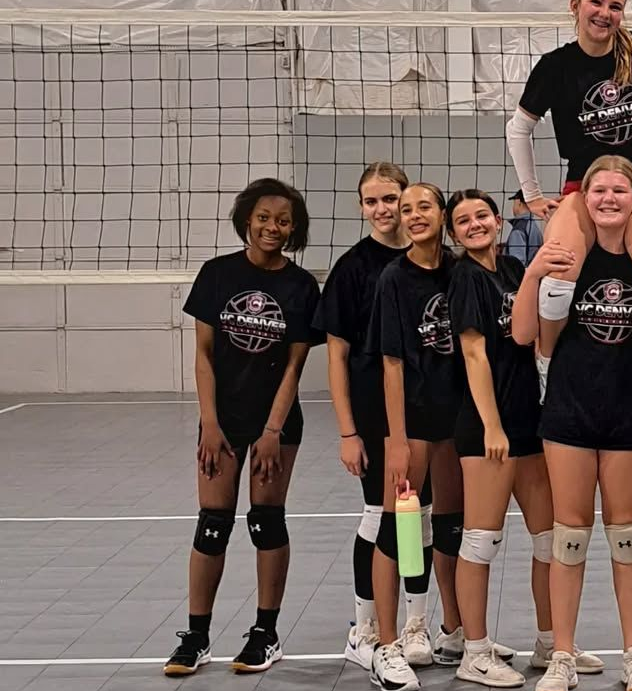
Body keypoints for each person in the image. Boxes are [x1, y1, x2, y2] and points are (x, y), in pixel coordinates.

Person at [513, 155, 632, 691]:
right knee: (568, 538)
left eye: (620, 190)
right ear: (584, 197)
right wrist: (532, 269)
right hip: (569, 412)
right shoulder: (569, 259)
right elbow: (524, 334)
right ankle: (563, 656)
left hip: (630, 411)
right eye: (599, 191)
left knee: (626, 538)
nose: (609, 199)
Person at [505, 0, 632, 416]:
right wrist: (532, 194)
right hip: (583, 189)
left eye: (615, 6)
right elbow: (519, 129)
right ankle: (546, 363)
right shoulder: (556, 66)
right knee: (557, 271)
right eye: (596, 2)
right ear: (575, 5)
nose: (605, 13)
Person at [446, 189, 604, 687]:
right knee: (481, 541)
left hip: (531, 425)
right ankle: (474, 652)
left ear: (498, 220)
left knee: (550, 541)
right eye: (463, 221)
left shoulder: (512, 273)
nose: (475, 225)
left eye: (482, 216)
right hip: (488, 430)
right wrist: (492, 426)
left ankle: (549, 642)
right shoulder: (466, 278)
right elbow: (474, 356)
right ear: (454, 234)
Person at [165, 178, 322, 676]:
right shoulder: (216, 274)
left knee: (266, 520)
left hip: (275, 420)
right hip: (223, 419)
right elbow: (204, 357)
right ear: (247, 220)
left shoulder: (300, 286)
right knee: (212, 524)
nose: (271, 227)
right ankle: (196, 635)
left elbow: (295, 366)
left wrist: (272, 429)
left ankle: (265, 633)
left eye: (282, 220)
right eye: (263, 217)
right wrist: (209, 423)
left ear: (293, 228)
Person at [365, 183, 513, 691]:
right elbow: (390, 363)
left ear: (441, 216)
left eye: (423, 206)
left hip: (459, 418)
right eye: (405, 210)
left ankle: (453, 630)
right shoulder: (394, 278)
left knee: (451, 526)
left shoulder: (460, 270)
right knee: (399, 529)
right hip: (417, 419)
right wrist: (397, 438)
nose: (412, 215)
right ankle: (388, 643)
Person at [314, 162, 440, 671]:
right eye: (373, 201)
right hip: (373, 411)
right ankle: (364, 625)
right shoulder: (353, 268)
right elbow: (336, 355)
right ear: (361, 207)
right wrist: (348, 431)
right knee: (382, 516)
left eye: (392, 199)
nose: (384, 210)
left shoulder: (432, 262)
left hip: (428, 406)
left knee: (421, 517)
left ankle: (416, 621)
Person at [505, 190, 546, 266]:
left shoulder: (519, 229)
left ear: (519, 202)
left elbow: (517, 265)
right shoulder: (534, 226)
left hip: (522, 276)